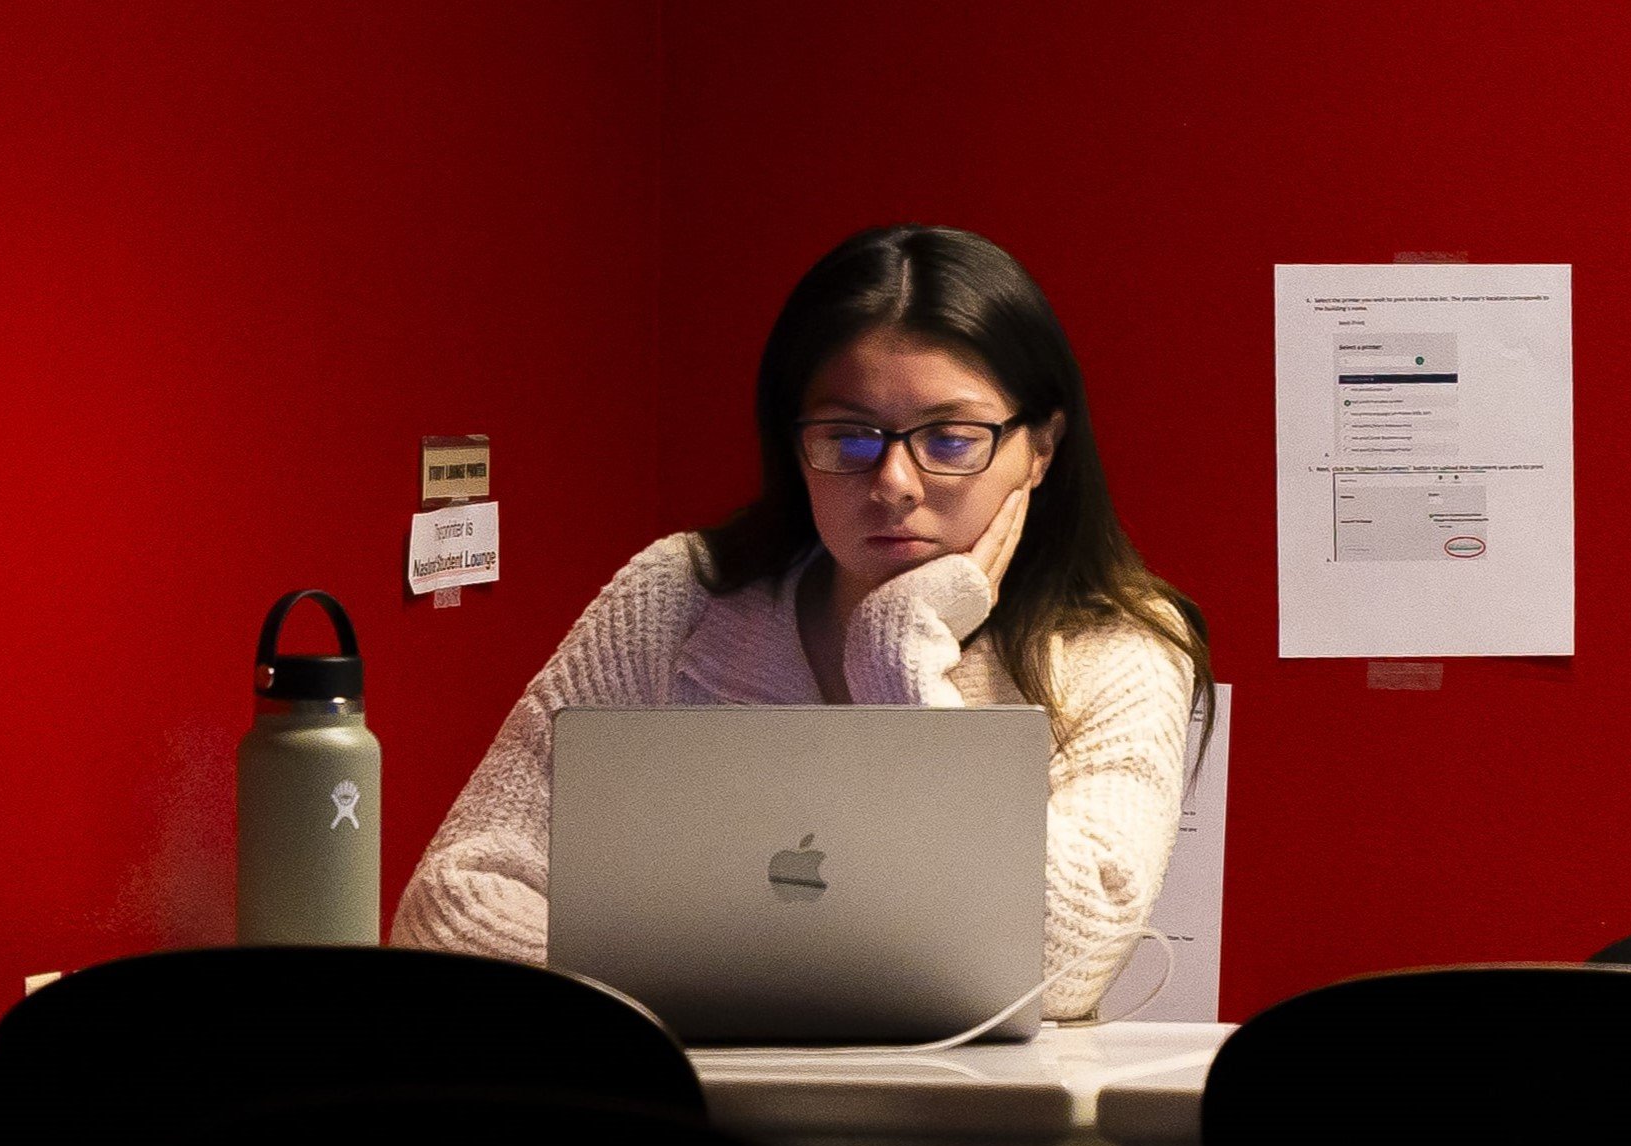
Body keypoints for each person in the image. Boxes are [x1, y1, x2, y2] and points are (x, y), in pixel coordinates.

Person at [392, 224, 1212, 1021]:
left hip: (982, 1140)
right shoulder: (680, 597)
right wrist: (727, 1000)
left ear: (1041, 447)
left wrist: (903, 662)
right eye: (848, 438)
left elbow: (1065, 967)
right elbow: (450, 906)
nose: (892, 481)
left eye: (952, 440)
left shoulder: (1122, 650)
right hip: (684, 1119)